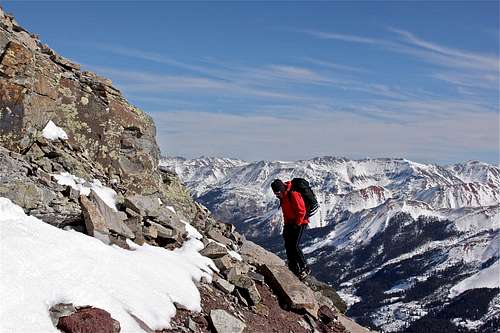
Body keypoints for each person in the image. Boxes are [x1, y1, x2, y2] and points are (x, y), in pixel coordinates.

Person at [271, 178, 311, 280]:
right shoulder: (283, 197)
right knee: (288, 244)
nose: (277, 195)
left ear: (282, 189)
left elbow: (301, 211)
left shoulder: (293, 194)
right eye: (275, 194)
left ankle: (305, 267)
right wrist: (286, 225)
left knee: (294, 245)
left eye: (278, 193)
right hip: (290, 223)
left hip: (300, 222)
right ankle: (293, 268)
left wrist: (297, 224)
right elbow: (286, 212)